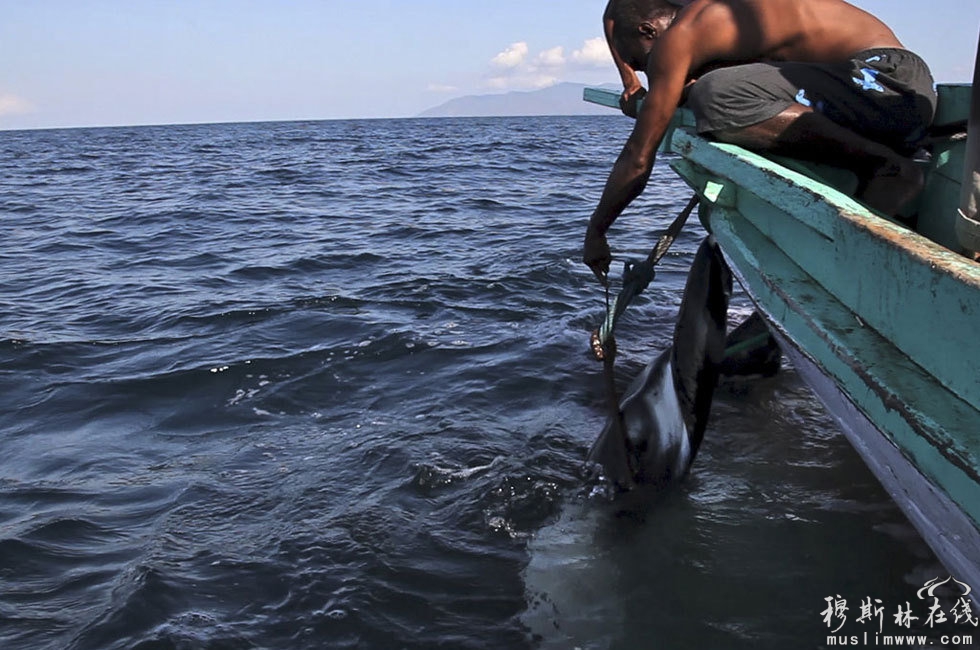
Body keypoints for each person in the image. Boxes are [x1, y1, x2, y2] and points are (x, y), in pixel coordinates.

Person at [585, 0, 937, 285]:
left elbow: (638, 157)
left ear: (650, 30)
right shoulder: (720, 19)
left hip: (885, 80)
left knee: (717, 94)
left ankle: (887, 168)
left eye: (640, 60)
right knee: (717, 88)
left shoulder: (679, 37)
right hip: (896, 88)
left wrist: (597, 231)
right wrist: (628, 79)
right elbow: (614, 13)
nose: (651, 70)